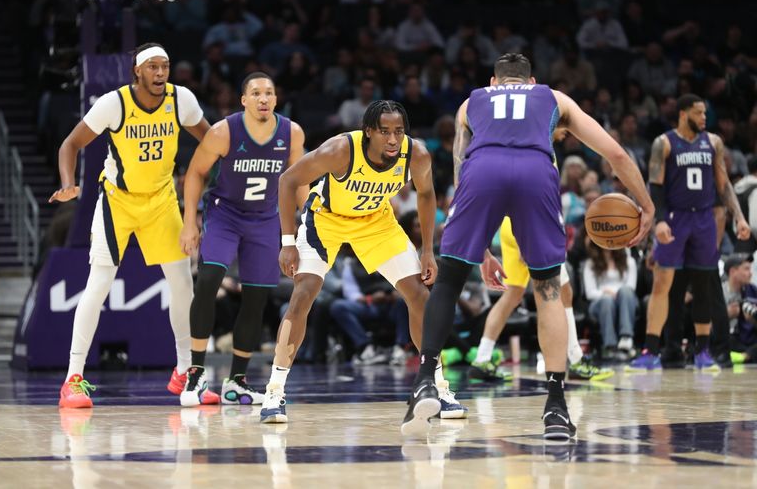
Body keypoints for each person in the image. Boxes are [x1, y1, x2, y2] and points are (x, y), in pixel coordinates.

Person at [402, 53, 653, 440]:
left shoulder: (472, 101)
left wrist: (481, 248)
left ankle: (424, 380)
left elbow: (458, 164)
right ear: (532, 81)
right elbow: (615, 153)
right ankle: (555, 406)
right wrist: (646, 203)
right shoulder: (553, 97)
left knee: (450, 280)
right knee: (548, 287)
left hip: (481, 170)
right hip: (536, 172)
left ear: (494, 80)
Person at [261, 100, 466, 424]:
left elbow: (426, 194)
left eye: (399, 131)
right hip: (326, 220)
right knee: (305, 292)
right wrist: (287, 243)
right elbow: (287, 181)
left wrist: (427, 250)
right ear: (368, 132)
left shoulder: (417, 154)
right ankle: (274, 391)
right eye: (384, 131)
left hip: (375, 222)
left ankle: (436, 385)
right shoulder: (339, 150)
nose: (393, 139)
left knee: (419, 295)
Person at [51, 43, 212, 408]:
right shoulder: (114, 103)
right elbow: (70, 144)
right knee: (99, 284)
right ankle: (72, 379)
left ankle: (186, 374)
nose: (160, 73)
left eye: (165, 66)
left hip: (161, 201)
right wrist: (67, 183)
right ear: (137, 71)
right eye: (152, 67)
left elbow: (212, 139)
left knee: (183, 283)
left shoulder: (181, 100)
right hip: (118, 202)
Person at [178, 72, 306, 406]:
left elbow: (299, 181)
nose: (263, 98)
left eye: (269, 93)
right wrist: (189, 221)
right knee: (208, 280)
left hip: (265, 220)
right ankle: (195, 373)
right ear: (244, 100)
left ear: (276, 99)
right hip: (225, 214)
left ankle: (237, 380)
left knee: (256, 298)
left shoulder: (291, 133)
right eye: (256, 93)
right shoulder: (223, 132)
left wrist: (307, 224)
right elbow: (194, 173)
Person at [626, 94, 750, 373]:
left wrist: (739, 217)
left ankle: (703, 352)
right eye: (699, 113)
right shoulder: (664, 143)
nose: (704, 118)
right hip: (674, 217)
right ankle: (650, 350)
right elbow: (655, 187)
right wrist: (658, 221)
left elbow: (724, 185)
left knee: (704, 284)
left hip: (704, 219)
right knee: (662, 284)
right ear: (683, 114)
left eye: (705, 113)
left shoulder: (714, 143)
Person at [470, 216, 614, 381]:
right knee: (560, 293)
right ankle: (576, 360)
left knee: (512, 294)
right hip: (531, 225)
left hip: (509, 224)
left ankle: (482, 358)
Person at [582, 239, 638, 361]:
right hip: (600, 301)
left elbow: (631, 287)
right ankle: (610, 346)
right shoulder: (590, 264)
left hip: (624, 299)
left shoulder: (629, 261)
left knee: (625, 292)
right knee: (607, 300)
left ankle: (626, 337)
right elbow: (590, 293)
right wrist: (605, 292)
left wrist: (616, 293)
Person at [722, 254, 757, 364]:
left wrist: (753, 319)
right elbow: (704, 325)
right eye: (746, 269)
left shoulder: (753, 291)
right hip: (726, 339)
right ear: (733, 272)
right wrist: (725, 315)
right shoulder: (718, 292)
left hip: (748, 339)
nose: (750, 273)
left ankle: (744, 356)